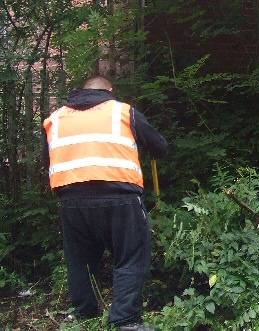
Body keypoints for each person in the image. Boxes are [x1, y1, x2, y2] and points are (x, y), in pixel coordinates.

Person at [42, 76, 168, 331]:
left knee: (80, 260)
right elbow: (160, 147)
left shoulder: (54, 119)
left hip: (72, 201)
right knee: (130, 255)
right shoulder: (122, 111)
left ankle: (84, 314)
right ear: (109, 91)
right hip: (120, 197)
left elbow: (48, 160)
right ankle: (126, 320)